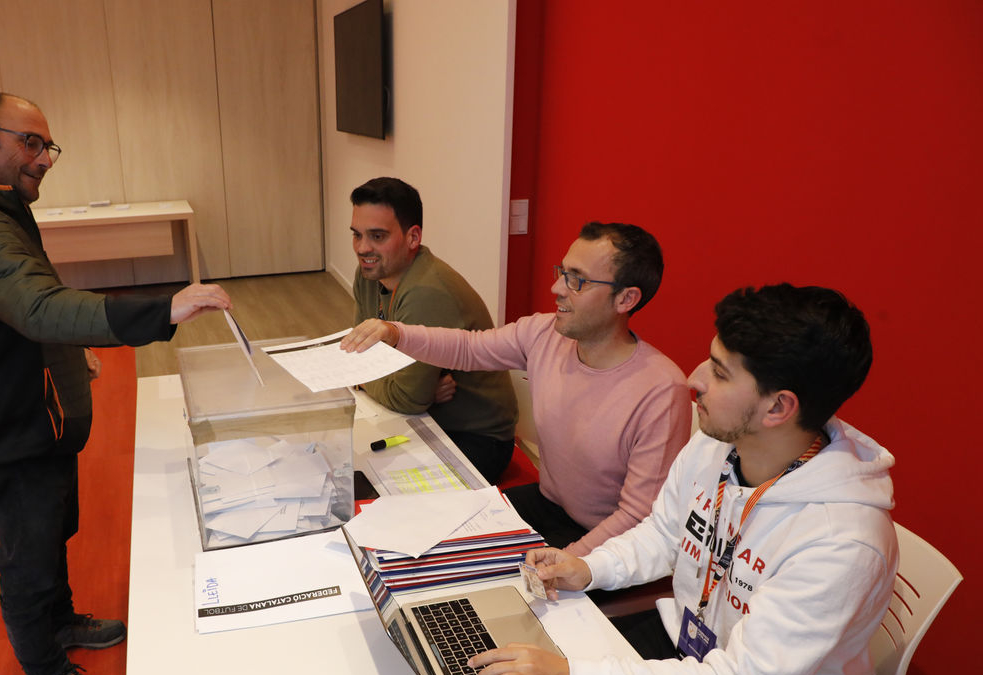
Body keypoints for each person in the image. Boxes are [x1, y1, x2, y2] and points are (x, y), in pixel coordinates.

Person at [0, 92, 232, 675]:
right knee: (27, 556)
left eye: (46, 145)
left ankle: (62, 619)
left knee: (52, 529)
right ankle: (46, 664)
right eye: (29, 142)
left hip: (38, 403)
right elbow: (35, 305)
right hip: (10, 418)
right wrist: (163, 309)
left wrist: (67, 357)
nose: (44, 158)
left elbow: (10, 307)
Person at [471, 284, 898, 674]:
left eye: (720, 372)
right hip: (683, 647)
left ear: (778, 408)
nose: (694, 380)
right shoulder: (716, 446)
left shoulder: (840, 543)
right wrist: (588, 568)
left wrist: (569, 673)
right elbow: (664, 533)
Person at [343, 222, 691, 554]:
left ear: (626, 299)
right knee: (428, 536)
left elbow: (637, 518)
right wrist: (396, 333)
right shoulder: (544, 334)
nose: (557, 289)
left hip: (607, 542)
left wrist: (571, 559)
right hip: (547, 504)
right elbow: (468, 348)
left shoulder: (660, 390)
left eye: (577, 281)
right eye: (562, 272)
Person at [349, 177, 517, 484]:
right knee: (343, 466)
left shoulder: (427, 292)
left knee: (364, 486)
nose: (363, 248)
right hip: (421, 420)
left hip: (475, 439)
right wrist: (398, 385)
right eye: (357, 235)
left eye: (377, 236)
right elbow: (358, 355)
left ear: (413, 237)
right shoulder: (369, 275)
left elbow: (405, 398)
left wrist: (364, 379)